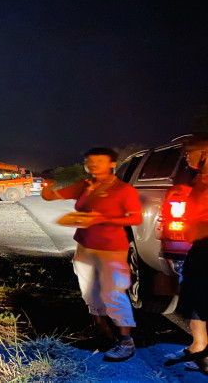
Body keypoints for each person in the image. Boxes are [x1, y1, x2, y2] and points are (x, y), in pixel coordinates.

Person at [41, 147, 142, 362]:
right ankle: (100, 328)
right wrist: (47, 184)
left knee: (113, 293)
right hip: (85, 245)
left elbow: (135, 219)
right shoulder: (86, 186)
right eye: (90, 160)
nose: (93, 164)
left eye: (99, 160)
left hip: (112, 248)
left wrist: (102, 220)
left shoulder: (123, 190)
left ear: (111, 164)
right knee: (89, 289)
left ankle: (126, 341)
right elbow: (50, 197)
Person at [165, 133, 208, 375]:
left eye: (189, 151)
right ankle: (199, 348)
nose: (186, 156)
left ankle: (202, 351)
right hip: (199, 246)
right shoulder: (198, 179)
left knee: (199, 297)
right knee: (195, 297)